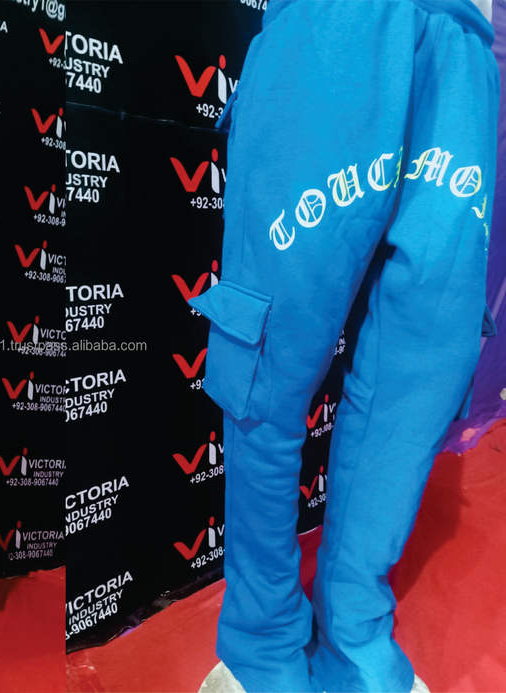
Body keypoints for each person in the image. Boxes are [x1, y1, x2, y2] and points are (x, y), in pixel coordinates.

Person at [190, 0, 498, 691]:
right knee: (265, 362)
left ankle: (354, 626)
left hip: (465, 43)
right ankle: (260, 639)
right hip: (334, 28)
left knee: (420, 373)